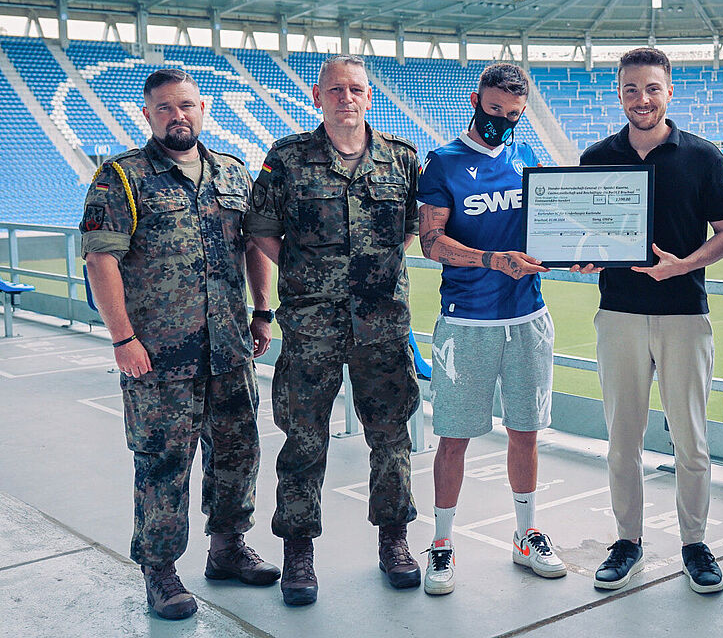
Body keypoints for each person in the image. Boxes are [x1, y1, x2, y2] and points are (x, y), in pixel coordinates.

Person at [80, 68, 279, 620]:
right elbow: (102, 258)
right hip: (159, 358)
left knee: (237, 455)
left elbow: (255, 247)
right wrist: (122, 337)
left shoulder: (233, 173)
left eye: (186, 105)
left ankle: (228, 549)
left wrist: (262, 312)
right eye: (165, 107)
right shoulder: (122, 177)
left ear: (202, 108)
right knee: (163, 463)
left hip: (230, 351)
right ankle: (160, 572)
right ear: (147, 114)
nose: (178, 116)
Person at [245, 55, 422, 605]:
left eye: (357, 89)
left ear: (370, 97)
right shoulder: (288, 158)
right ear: (317, 97)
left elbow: (414, 229)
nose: (347, 97)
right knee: (303, 441)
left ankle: (394, 540)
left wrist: (372, 274)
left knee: (391, 438)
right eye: (335, 89)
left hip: (383, 326)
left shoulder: (402, 159)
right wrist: (308, 272)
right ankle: (298, 550)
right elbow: (263, 230)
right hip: (311, 326)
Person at [574, 47, 723, 594]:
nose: (641, 100)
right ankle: (628, 541)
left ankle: (695, 543)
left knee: (690, 440)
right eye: (630, 90)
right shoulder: (596, 158)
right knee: (623, 438)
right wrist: (583, 251)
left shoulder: (703, 157)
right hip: (618, 312)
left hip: (684, 316)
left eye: (651, 89)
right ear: (618, 93)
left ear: (669, 92)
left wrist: (682, 267)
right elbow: (586, 235)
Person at [416, 63, 564, 596]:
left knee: (526, 430)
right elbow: (430, 242)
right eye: (495, 109)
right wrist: (488, 259)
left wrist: (582, 255)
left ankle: (527, 533)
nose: (502, 120)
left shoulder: (528, 157)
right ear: (476, 100)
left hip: (528, 316)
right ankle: (441, 543)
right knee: (453, 437)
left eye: (514, 114)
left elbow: (553, 226)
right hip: (467, 322)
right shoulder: (443, 163)